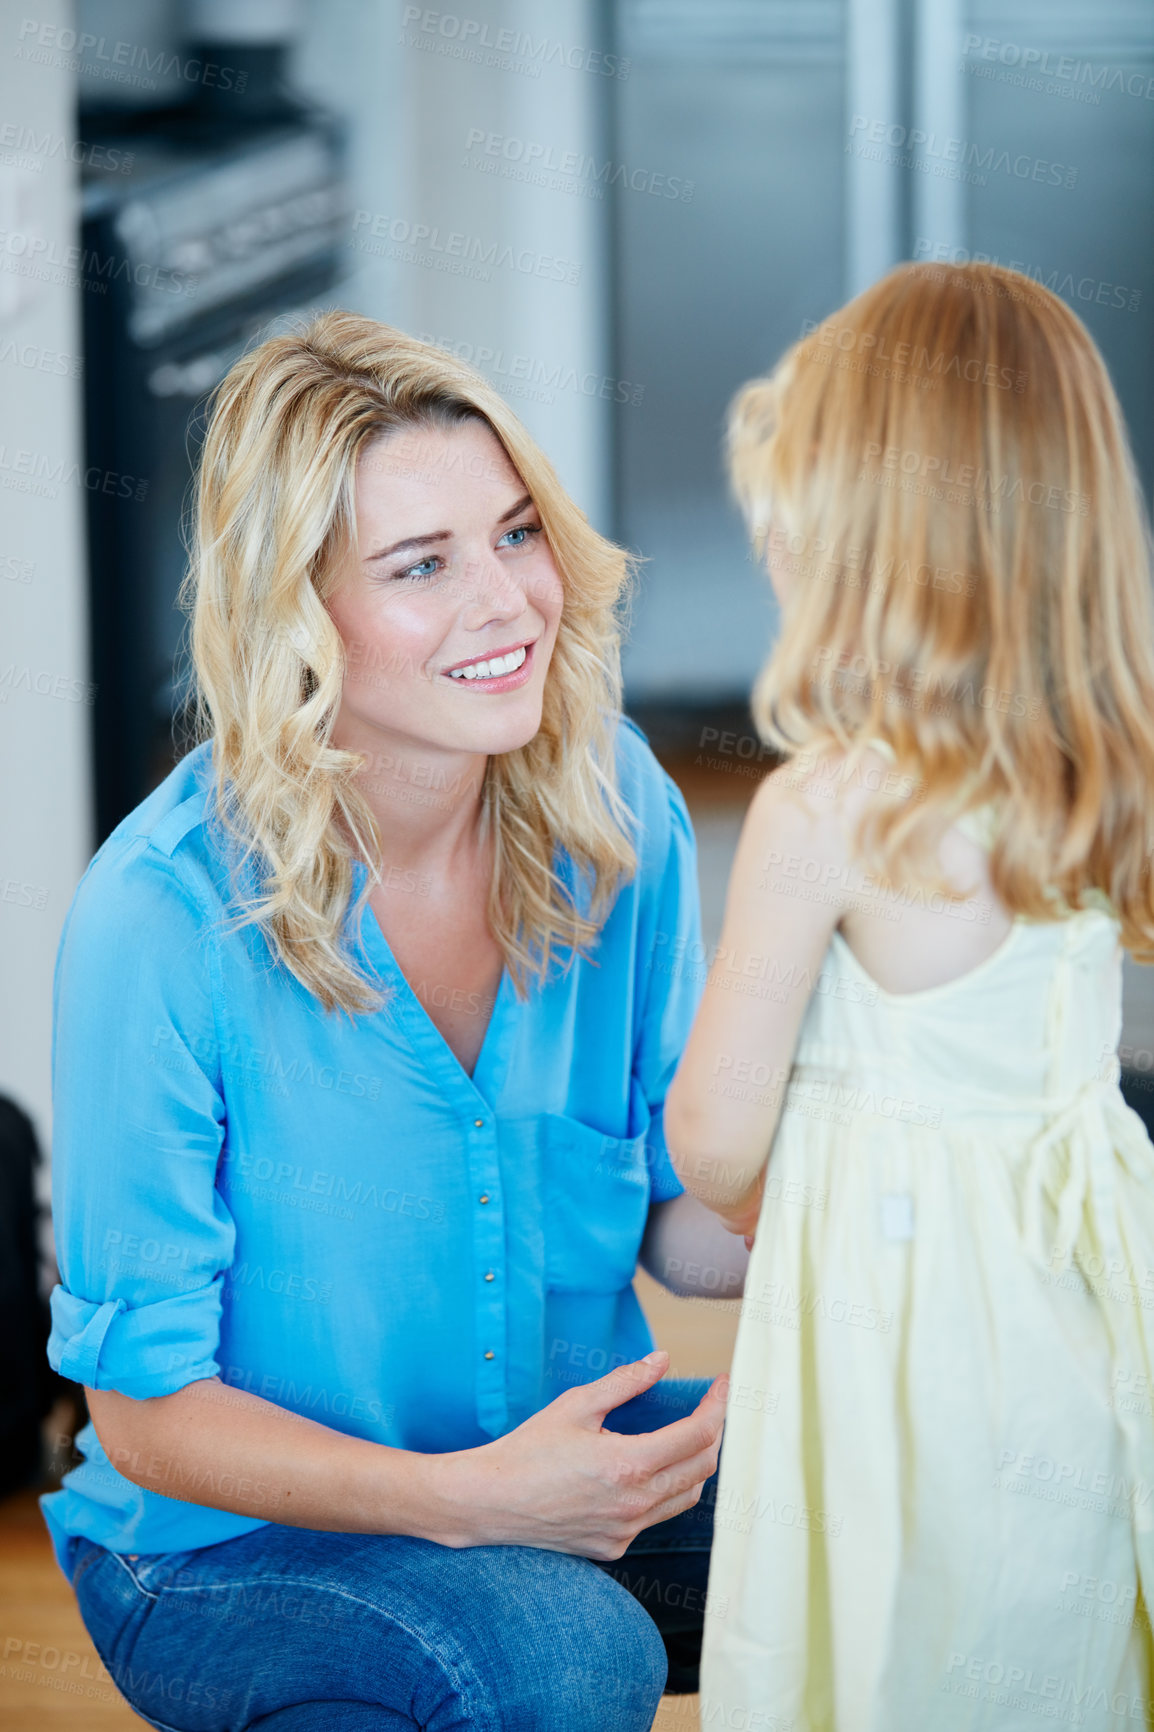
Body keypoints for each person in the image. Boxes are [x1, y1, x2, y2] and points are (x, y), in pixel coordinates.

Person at [42, 312, 747, 1731]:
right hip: (231, 1543)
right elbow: (145, 1415)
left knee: (936, 1495)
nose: (506, 602)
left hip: (549, 1461)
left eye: (514, 534)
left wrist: (896, 1196)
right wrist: (468, 1502)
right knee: (562, 1657)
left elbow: (679, 1209)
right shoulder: (161, 922)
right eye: (421, 567)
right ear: (295, 610)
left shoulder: (617, 816)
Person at [665, 261, 1154, 1731]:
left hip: (898, 1330)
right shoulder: (1100, 778)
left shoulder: (831, 812)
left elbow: (714, 1144)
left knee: (886, 1628)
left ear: (861, 532)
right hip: (1077, 1304)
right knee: (1049, 1625)